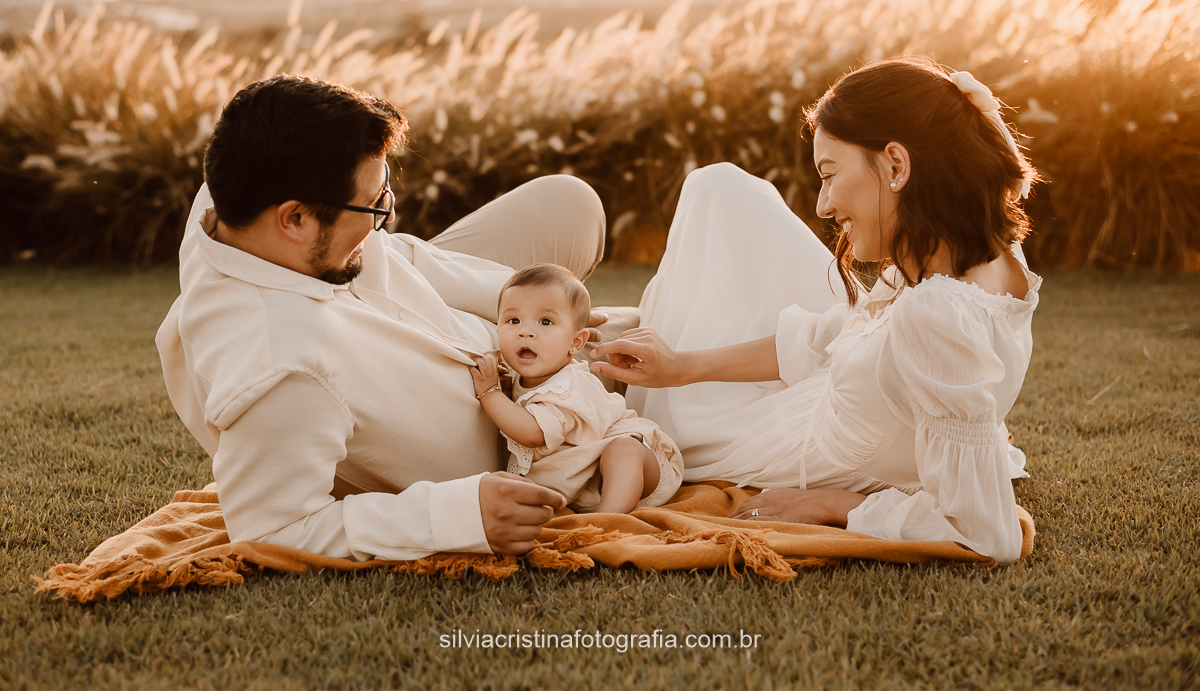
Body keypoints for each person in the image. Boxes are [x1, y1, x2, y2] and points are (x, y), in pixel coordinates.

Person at [156, 74, 635, 561]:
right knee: (653, 345)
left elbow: (402, 253)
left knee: (570, 203)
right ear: (295, 220)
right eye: (373, 205)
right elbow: (272, 530)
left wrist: (532, 308)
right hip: (521, 425)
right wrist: (454, 515)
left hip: (468, 321)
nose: (383, 215)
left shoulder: (236, 194)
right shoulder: (281, 370)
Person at [591, 58, 1041, 562]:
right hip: (823, 400)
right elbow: (829, 337)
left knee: (702, 226)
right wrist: (683, 367)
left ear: (897, 165)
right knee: (718, 188)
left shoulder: (937, 311)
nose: (824, 205)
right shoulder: (982, 256)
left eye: (829, 174)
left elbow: (987, 535)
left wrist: (828, 503)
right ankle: (621, 328)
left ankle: (556, 317)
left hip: (782, 445)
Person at [469, 264, 683, 514]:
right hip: (589, 480)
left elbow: (532, 432)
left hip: (642, 466)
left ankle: (609, 521)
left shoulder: (568, 387)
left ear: (575, 342)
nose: (525, 332)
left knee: (622, 450)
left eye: (545, 321)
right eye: (513, 320)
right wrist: (506, 391)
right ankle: (603, 508)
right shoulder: (528, 375)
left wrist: (489, 393)